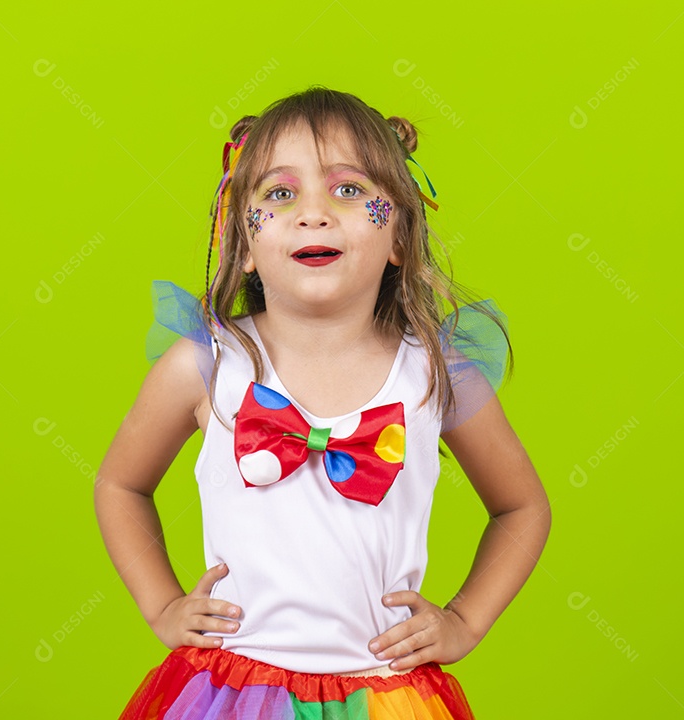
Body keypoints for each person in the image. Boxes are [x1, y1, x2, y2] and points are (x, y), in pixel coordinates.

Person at [95, 86, 551, 719]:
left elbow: (521, 505)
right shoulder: (205, 366)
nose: (314, 213)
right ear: (245, 246)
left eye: (348, 189)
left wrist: (464, 621)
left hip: (386, 695)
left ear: (398, 234)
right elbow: (121, 484)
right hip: (227, 693)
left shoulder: (435, 373)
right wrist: (162, 605)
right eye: (280, 194)